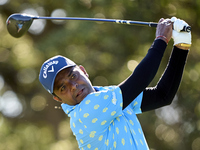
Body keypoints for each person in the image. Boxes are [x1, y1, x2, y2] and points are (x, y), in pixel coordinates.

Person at [39, 17, 191, 150]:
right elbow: (139, 80)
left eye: (72, 75)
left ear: (83, 70)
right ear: (58, 99)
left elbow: (162, 95)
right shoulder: (84, 114)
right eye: (63, 88)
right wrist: (161, 39)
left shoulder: (111, 97)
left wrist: (181, 46)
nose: (73, 86)